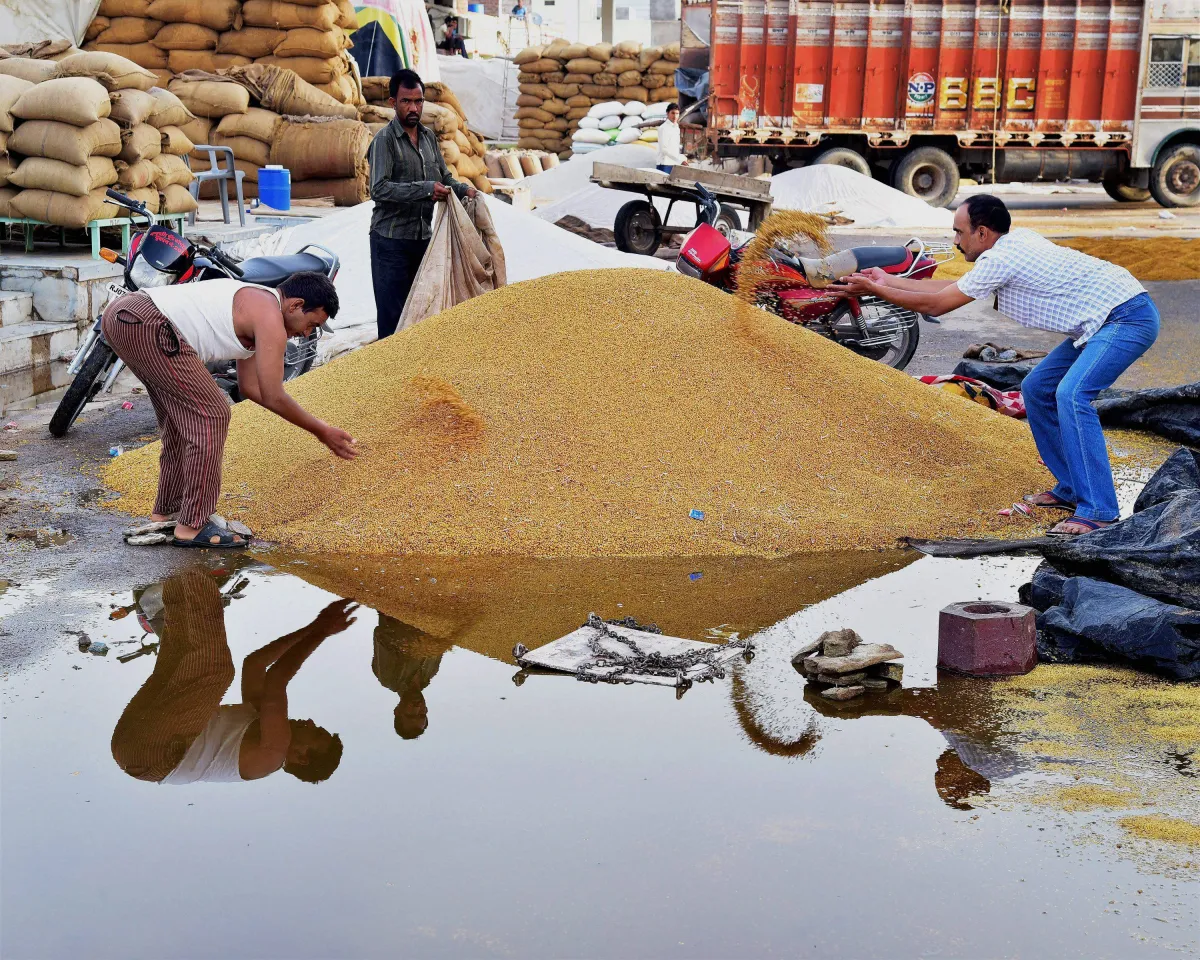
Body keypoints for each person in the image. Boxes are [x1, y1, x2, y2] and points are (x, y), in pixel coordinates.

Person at [831, 194, 1158, 537]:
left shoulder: (1003, 258)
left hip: (1125, 318)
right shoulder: (1009, 247)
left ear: (982, 233)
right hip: (1102, 321)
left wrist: (876, 291)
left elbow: (940, 304)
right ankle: (1071, 489)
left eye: (959, 232)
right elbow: (953, 288)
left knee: (1072, 395)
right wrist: (887, 280)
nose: (956, 241)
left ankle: (1100, 510)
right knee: (1036, 388)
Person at [103, 272, 358, 550]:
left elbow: (251, 388)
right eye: (311, 324)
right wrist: (322, 430)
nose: (307, 334)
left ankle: (168, 512)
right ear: (295, 305)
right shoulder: (270, 317)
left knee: (182, 420)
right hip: (146, 320)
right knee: (213, 414)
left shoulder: (257, 306)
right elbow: (274, 395)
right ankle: (192, 525)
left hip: (125, 314)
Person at [111, 568, 357, 785]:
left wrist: (320, 633)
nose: (311, 723)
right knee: (182, 664)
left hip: (156, 757)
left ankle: (187, 565)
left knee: (214, 670)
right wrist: (313, 628)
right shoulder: (259, 723)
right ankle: (171, 574)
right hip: (132, 749)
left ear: (301, 757)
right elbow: (255, 664)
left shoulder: (272, 757)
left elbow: (276, 681)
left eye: (315, 734)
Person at [367, 68, 476, 341]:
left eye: (418, 101)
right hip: (390, 242)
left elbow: (444, 176)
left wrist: (463, 189)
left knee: (421, 315)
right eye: (406, 101)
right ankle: (387, 378)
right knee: (392, 319)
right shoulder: (385, 140)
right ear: (393, 103)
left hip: (423, 239)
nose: (413, 108)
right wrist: (425, 190)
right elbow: (379, 189)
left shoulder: (428, 137)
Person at [371, 612, 448, 740]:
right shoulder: (432, 671)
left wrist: (415, 639)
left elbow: (381, 634)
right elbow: (442, 638)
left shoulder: (388, 678)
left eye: (411, 714)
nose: (418, 708)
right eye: (422, 714)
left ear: (397, 711)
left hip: (402, 605)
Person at [656, 102, 685, 174]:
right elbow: (664, 149)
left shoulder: (676, 127)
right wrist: (679, 160)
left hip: (674, 163)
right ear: (667, 113)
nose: (675, 116)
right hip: (664, 164)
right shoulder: (664, 128)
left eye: (677, 113)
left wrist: (681, 158)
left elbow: (674, 146)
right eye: (672, 113)